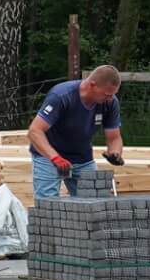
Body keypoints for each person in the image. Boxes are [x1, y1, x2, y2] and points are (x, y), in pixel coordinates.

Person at [28, 66, 124, 199]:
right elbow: (34, 131)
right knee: (47, 206)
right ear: (92, 85)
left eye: (112, 94)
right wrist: (55, 158)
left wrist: (115, 153)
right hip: (49, 156)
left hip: (82, 157)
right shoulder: (62, 96)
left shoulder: (110, 103)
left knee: (95, 202)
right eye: (107, 94)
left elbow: (114, 138)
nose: (110, 98)